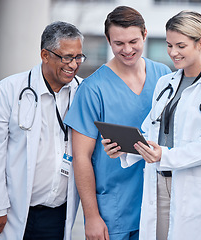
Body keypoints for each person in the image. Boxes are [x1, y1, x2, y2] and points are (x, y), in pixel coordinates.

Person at [103, 10, 201, 240]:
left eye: (180, 46)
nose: (173, 52)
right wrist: (124, 147)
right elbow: (150, 131)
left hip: (194, 189)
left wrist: (164, 155)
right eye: (169, 45)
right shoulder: (166, 83)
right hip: (159, 184)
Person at [64, 6, 171, 240]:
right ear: (108, 40)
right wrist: (91, 216)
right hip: (114, 210)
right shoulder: (93, 89)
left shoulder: (163, 76)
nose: (127, 50)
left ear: (145, 35)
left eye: (133, 41)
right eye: (119, 43)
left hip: (158, 203)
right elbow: (81, 157)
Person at [0, 21, 85, 239]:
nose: (74, 64)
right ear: (45, 55)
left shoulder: (83, 92)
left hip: (59, 215)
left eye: (78, 57)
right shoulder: (9, 90)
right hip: (11, 212)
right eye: (67, 57)